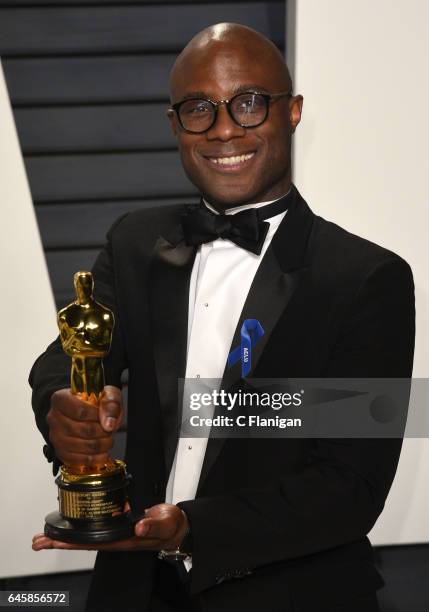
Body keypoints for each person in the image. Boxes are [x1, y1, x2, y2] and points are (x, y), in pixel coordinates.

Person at [30, 23, 415, 612]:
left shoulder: (366, 278)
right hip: (134, 593)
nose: (225, 128)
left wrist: (192, 528)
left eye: (249, 103)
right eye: (199, 108)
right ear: (173, 125)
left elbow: (350, 486)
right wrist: (64, 408)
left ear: (293, 112)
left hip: (295, 597)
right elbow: (68, 358)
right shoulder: (135, 242)